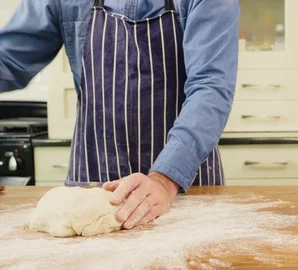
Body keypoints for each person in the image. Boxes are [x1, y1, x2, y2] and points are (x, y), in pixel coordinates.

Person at [0, 0, 239, 229]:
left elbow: (211, 86)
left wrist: (165, 179)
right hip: (94, 183)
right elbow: (8, 60)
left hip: (183, 185)